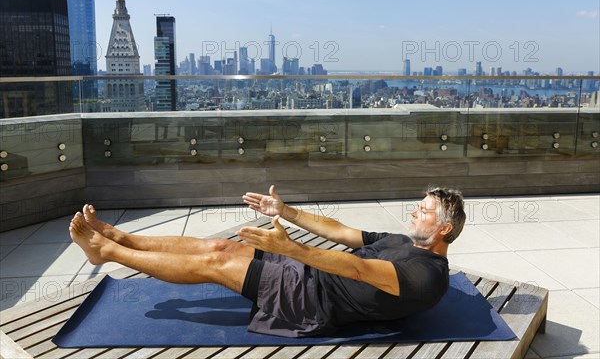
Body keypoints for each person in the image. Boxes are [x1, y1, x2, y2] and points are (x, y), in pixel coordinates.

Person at [69, 185, 466, 337]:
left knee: (217, 267)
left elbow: (357, 268)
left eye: (425, 210)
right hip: (311, 272)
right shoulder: (402, 241)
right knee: (220, 249)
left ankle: (106, 252)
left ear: (444, 229)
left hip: (311, 301)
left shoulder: (427, 277)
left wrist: (291, 249)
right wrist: (286, 210)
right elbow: (342, 232)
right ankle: (122, 237)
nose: (415, 211)